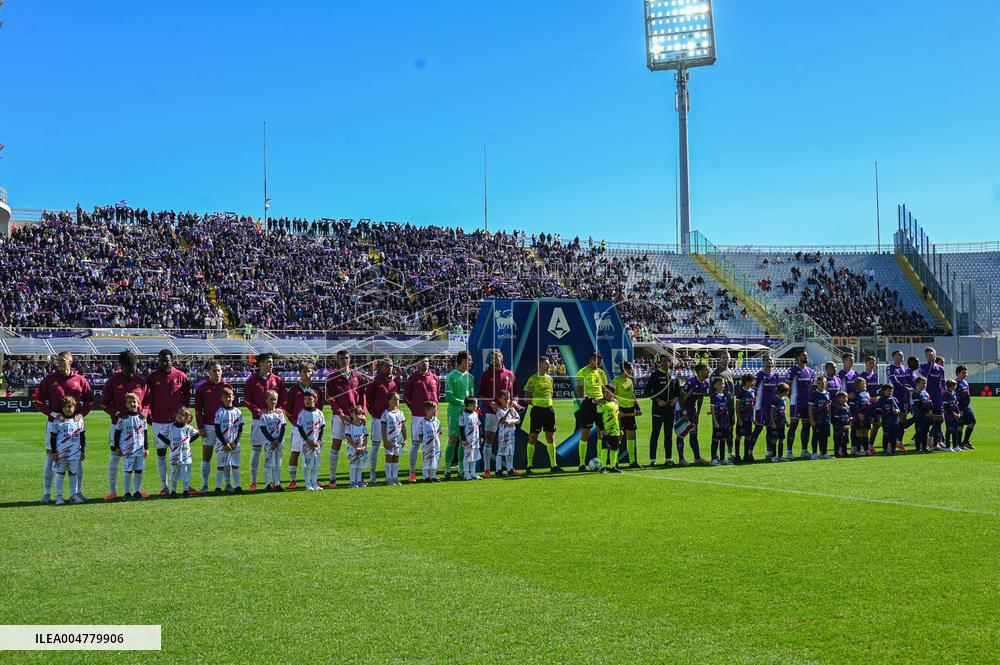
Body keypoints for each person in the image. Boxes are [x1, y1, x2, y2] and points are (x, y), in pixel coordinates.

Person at [34, 351, 94, 504]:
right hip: (55, 425)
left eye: (62, 360)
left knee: (77, 460)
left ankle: (77, 493)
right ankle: (47, 494)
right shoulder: (49, 379)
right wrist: (53, 413)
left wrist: (81, 414)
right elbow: (39, 402)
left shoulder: (80, 380)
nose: (59, 363)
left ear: (70, 361)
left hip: (75, 426)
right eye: (57, 360)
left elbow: (90, 401)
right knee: (50, 459)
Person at [101, 350, 149, 500]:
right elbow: (104, 404)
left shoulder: (142, 382)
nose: (131, 372)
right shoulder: (112, 382)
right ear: (121, 366)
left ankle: (137, 490)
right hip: (118, 426)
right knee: (115, 456)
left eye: (134, 368)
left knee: (138, 461)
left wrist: (145, 412)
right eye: (128, 369)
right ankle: (113, 491)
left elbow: (147, 402)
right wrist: (116, 413)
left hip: (138, 430)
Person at [145, 349, 191, 497]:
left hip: (177, 423)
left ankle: (184, 485)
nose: (165, 363)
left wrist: (184, 413)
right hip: (159, 420)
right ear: (158, 361)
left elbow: (187, 395)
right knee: (161, 454)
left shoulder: (181, 376)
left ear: (172, 360)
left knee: (182, 455)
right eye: (162, 360)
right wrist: (149, 414)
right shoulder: (152, 377)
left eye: (167, 360)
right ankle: (164, 486)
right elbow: (146, 398)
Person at [244, 353, 285, 492]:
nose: (271, 364)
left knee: (275, 452)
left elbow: (284, 399)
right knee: (256, 452)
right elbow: (247, 400)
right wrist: (258, 411)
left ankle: (275, 482)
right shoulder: (251, 380)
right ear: (260, 363)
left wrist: (279, 409)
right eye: (268, 362)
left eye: (272, 362)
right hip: (258, 421)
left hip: (274, 422)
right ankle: (254, 482)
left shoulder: (278, 380)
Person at [325, 350, 366, 488]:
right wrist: (340, 413)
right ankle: (332, 478)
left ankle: (356, 479)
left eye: (347, 358)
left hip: (355, 418)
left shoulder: (357, 376)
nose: (344, 360)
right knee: (336, 444)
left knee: (358, 445)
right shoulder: (332, 377)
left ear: (350, 359)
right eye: (341, 358)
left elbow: (362, 395)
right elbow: (330, 398)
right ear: (337, 360)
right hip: (340, 417)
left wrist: (362, 413)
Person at [477, 350, 521, 478]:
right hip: (491, 413)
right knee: (488, 441)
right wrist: (491, 403)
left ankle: (510, 469)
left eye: (496, 358)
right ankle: (486, 470)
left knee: (509, 443)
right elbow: (480, 394)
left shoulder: (509, 374)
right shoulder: (486, 374)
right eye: (492, 358)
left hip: (507, 414)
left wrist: (514, 401)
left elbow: (516, 393)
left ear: (502, 359)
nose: (494, 360)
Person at [194, 361, 233, 493]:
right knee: (207, 456)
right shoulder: (202, 388)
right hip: (209, 426)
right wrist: (201, 427)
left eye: (219, 370)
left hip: (225, 428)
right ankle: (204, 485)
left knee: (226, 455)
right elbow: (198, 410)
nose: (217, 373)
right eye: (214, 371)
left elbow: (233, 409)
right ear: (209, 373)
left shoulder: (228, 386)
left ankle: (228, 484)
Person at [285, 361, 323, 489]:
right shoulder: (294, 389)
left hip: (314, 429)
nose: (307, 374)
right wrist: (295, 422)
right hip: (298, 427)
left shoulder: (317, 389)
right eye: (304, 371)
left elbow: (320, 407)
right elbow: (288, 408)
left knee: (314, 454)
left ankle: (314, 480)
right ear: (300, 373)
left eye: (309, 371)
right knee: (295, 452)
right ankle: (293, 480)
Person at [404, 357, 440, 483]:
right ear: (418, 364)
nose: (425, 363)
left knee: (434, 444)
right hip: (418, 416)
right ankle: (412, 473)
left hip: (433, 417)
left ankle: (432, 473)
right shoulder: (413, 378)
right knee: (415, 444)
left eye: (426, 361)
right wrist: (415, 408)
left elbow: (437, 396)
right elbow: (406, 397)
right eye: (422, 361)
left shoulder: (435, 378)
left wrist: (435, 411)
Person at [523, 357, 559, 474]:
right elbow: (527, 398)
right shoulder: (532, 379)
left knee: (550, 437)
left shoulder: (550, 379)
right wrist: (537, 403)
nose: (549, 365)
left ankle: (554, 466)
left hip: (549, 410)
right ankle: (529, 466)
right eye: (546, 364)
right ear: (539, 364)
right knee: (533, 437)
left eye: (549, 363)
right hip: (537, 411)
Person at [442, 351, 475, 481]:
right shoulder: (451, 376)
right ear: (462, 361)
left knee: (463, 442)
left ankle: (461, 469)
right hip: (455, 414)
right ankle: (447, 469)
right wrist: (464, 403)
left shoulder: (470, 378)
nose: (471, 362)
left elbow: (472, 397)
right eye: (469, 359)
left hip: (467, 415)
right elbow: (449, 397)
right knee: (452, 440)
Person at [365, 358, 398, 486]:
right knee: (375, 446)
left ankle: (390, 477)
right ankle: (372, 475)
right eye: (386, 365)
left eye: (391, 366)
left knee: (391, 448)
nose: (389, 368)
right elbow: (368, 400)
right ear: (381, 366)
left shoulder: (395, 380)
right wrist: (374, 413)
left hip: (392, 420)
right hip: (378, 419)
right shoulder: (375, 381)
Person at [574, 352, 609, 472]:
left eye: (600, 362)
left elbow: (605, 389)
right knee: (585, 434)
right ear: (591, 360)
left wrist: (608, 399)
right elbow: (579, 392)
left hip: (601, 406)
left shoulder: (601, 373)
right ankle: (582, 464)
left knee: (602, 434)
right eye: (597, 361)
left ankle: (601, 463)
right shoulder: (582, 372)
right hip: (588, 405)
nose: (599, 364)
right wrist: (593, 400)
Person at [49, 395, 86, 505]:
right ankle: (59, 497)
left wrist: (82, 451)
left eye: (70, 407)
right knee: (60, 474)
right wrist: (54, 452)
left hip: (75, 453)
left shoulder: (79, 420)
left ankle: (73, 495)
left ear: (75, 407)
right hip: (61, 454)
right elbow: (53, 437)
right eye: (65, 407)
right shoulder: (58, 420)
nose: (67, 409)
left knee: (73, 473)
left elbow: (82, 437)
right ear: (62, 408)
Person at [157, 406, 200, 497]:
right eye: (179, 414)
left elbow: (197, 434)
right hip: (174, 454)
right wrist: (169, 443)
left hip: (186, 454)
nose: (180, 416)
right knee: (174, 472)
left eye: (183, 415)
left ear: (187, 417)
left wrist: (188, 442)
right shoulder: (171, 427)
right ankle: (173, 491)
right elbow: (160, 435)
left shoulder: (188, 428)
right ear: (176, 415)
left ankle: (185, 490)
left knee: (186, 472)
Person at [645, 355, 679, 467]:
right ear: (660, 363)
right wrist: (657, 400)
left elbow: (678, 391)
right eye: (663, 361)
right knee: (655, 433)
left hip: (670, 410)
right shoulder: (655, 375)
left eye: (667, 361)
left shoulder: (674, 375)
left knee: (668, 435)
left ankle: (668, 459)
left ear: (670, 362)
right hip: (658, 410)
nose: (665, 363)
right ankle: (652, 459)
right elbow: (647, 391)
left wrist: (676, 398)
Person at [114, 392, 149, 500]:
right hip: (127, 449)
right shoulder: (123, 417)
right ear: (126, 405)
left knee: (139, 470)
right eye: (129, 402)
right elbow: (117, 433)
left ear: (138, 403)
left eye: (134, 402)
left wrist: (146, 448)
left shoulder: (142, 417)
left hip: (139, 448)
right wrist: (117, 447)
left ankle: (137, 491)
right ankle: (127, 493)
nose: (132, 404)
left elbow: (145, 433)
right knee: (128, 471)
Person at [675, 363, 711, 466]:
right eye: (706, 370)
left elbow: (700, 397)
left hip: (692, 409)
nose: (708, 371)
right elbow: (681, 398)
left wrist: (698, 412)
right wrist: (684, 413)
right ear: (700, 371)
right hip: (681, 409)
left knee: (694, 434)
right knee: (681, 434)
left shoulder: (705, 383)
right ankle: (681, 459)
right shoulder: (691, 382)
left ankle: (697, 458)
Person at [213, 387, 245, 494]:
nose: (228, 398)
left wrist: (235, 442)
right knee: (221, 466)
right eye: (225, 396)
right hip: (222, 444)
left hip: (234, 444)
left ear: (233, 397)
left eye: (230, 396)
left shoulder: (238, 412)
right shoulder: (219, 412)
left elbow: (240, 429)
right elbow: (217, 429)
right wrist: (224, 443)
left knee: (235, 465)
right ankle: (218, 487)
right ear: (222, 398)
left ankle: (237, 486)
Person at [612, 361, 642, 469]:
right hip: (620, 412)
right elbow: (612, 397)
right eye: (630, 369)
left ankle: (632, 461)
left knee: (630, 435)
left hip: (630, 411)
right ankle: (614, 462)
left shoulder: (630, 381)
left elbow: (632, 395)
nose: (632, 370)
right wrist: (618, 410)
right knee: (619, 436)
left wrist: (637, 407)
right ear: (625, 369)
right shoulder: (615, 381)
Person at [786, 350, 815, 460]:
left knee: (806, 426)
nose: (806, 357)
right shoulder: (793, 370)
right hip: (796, 402)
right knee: (793, 426)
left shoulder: (810, 371)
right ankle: (789, 451)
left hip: (807, 403)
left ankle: (804, 450)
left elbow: (812, 387)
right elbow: (787, 386)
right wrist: (792, 398)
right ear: (798, 357)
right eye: (804, 355)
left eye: (806, 355)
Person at [749, 354, 780, 458]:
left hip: (772, 408)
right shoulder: (760, 375)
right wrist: (753, 406)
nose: (769, 362)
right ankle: (749, 451)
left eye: (771, 360)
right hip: (761, 407)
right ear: (763, 362)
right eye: (767, 360)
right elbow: (754, 390)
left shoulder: (776, 376)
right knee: (758, 429)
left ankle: (769, 452)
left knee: (770, 430)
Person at [257, 390, 287, 491]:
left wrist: (278, 440)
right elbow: (263, 429)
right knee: (267, 463)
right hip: (268, 443)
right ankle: (267, 484)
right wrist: (272, 440)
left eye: (275, 399)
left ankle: (277, 483)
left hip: (279, 442)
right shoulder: (264, 415)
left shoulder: (280, 413)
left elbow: (283, 427)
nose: (273, 402)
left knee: (278, 463)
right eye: (271, 399)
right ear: (266, 400)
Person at [297, 389, 325, 491]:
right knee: (306, 464)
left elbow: (322, 428)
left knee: (315, 464)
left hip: (316, 442)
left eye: (309, 398)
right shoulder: (302, 413)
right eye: (305, 399)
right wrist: (307, 440)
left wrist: (319, 440)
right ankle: (308, 483)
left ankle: (315, 483)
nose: (307, 401)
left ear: (315, 399)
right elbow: (300, 428)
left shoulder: (319, 413)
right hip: (306, 443)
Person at [709, 350, 735, 459]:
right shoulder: (716, 373)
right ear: (720, 359)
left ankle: (729, 452)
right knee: (717, 431)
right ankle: (715, 456)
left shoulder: (729, 371)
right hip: (720, 407)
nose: (726, 359)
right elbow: (712, 391)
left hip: (730, 405)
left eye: (727, 357)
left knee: (729, 429)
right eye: (724, 357)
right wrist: (713, 407)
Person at [885, 350, 913, 452]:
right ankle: (889, 443)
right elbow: (894, 382)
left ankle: (899, 442)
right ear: (894, 356)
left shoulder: (904, 368)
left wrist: (917, 387)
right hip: (894, 397)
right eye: (900, 355)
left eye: (902, 354)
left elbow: (910, 380)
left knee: (903, 420)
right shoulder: (890, 368)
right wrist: (905, 388)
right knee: (892, 421)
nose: (902, 356)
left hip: (904, 397)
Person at [919, 347, 946, 450]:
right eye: (929, 355)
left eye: (933, 354)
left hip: (938, 396)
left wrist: (944, 395)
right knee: (929, 420)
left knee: (940, 419)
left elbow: (943, 383)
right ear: (926, 356)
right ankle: (926, 441)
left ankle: (933, 439)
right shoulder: (923, 366)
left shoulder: (940, 368)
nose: (932, 357)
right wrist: (930, 363)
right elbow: (924, 375)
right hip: (927, 396)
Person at [381, 392, 407, 485]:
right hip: (389, 440)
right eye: (394, 399)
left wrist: (405, 439)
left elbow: (403, 427)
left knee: (396, 458)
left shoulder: (401, 413)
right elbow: (383, 428)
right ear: (389, 401)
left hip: (398, 441)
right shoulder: (385, 414)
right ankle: (389, 478)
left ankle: (395, 477)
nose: (397, 401)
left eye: (398, 399)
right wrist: (384, 441)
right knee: (389, 458)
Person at [493, 390, 521, 476]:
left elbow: (518, 420)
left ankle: (510, 469)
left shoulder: (512, 410)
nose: (507, 401)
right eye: (505, 399)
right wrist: (508, 413)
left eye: (508, 399)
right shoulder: (499, 411)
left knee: (510, 452)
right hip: (503, 435)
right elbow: (503, 421)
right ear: (500, 399)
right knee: (501, 452)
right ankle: (498, 470)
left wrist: (511, 421)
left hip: (511, 434)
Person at [596, 385, 622, 474]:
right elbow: (598, 418)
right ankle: (603, 467)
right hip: (606, 431)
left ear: (613, 393)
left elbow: (617, 417)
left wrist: (620, 428)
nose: (606, 394)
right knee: (605, 448)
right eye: (605, 392)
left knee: (614, 449)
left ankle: (613, 466)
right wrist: (602, 429)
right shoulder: (601, 404)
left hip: (615, 430)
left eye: (608, 392)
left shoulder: (616, 403)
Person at [709, 377, 734, 466]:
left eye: (723, 384)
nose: (722, 385)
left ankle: (723, 458)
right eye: (720, 384)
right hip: (718, 422)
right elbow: (712, 409)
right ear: (715, 385)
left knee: (723, 439)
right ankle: (714, 459)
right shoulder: (714, 396)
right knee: (716, 439)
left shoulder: (725, 395)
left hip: (725, 422)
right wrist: (715, 421)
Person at [807, 376, 832, 459]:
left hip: (825, 419)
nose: (821, 385)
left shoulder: (827, 394)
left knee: (825, 436)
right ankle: (814, 453)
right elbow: (810, 408)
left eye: (823, 383)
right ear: (816, 384)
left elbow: (828, 407)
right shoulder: (813, 394)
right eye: (819, 383)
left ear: (826, 384)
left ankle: (824, 453)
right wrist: (811, 420)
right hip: (817, 419)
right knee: (816, 436)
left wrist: (829, 418)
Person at [345, 405, 369, 488]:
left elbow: (365, 437)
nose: (360, 416)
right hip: (352, 450)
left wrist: (364, 447)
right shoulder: (350, 427)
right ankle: (352, 482)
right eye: (357, 414)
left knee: (360, 465)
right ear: (352, 414)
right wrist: (355, 447)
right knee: (353, 465)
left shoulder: (363, 427)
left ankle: (358, 481)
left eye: (361, 414)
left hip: (361, 450)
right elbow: (348, 438)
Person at [458, 396, 482, 480]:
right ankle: (466, 473)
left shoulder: (475, 414)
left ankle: (473, 472)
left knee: (474, 457)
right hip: (468, 440)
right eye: (475, 404)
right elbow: (461, 428)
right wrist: (464, 439)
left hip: (475, 439)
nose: (477, 405)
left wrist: (481, 436)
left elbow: (479, 425)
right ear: (469, 405)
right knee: (467, 456)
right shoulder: (463, 415)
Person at [419, 401, 442, 482]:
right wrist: (423, 444)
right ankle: (425, 476)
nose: (435, 411)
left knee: (435, 459)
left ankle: (433, 476)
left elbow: (439, 432)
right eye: (433, 409)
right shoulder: (423, 422)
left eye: (436, 409)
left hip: (435, 445)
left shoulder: (437, 421)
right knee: (427, 460)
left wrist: (437, 441)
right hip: (427, 445)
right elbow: (420, 435)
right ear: (427, 410)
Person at [848, 378, 872, 456]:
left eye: (865, 383)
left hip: (867, 416)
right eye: (862, 384)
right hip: (858, 417)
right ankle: (858, 450)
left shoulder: (867, 393)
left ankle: (866, 450)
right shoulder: (854, 394)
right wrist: (858, 414)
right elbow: (852, 406)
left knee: (866, 433)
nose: (864, 385)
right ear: (857, 385)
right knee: (859, 433)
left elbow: (868, 405)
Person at [874, 384, 900, 456]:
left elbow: (898, 409)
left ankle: (893, 449)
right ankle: (885, 450)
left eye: (891, 391)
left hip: (894, 420)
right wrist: (879, 421)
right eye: (888, 391)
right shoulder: (881, 400)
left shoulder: (894, 399)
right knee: (886, 435)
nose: (890, 392)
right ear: (883, 391)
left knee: (893, 436)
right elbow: (878, 412)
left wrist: (896, 411)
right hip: (885, 420)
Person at [735, 374, 756, 462]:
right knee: (738, 436)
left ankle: (746, 455)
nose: (753, 382)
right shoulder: (740, 392)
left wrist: (753, 417)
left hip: (749, 419)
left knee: (748, 437)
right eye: (752, 381)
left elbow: (753, 406)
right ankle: (737, 456)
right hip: (742, 418)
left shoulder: (753, 391)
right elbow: (737, 406)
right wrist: (739, 419)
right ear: (746, 382)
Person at [955, 365, 976, 450]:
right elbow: (954, 397)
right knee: (960, 425)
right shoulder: (954, 383)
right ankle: (959, 444)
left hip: (967, 406)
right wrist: (957, 408)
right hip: (959, 407)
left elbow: (967, 393)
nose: (965, 374)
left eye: (966, 372)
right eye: (963, 372)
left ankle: (965, 442)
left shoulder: (965, 382)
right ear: (957, 373)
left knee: (973, 422)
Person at [767, 383, 789, 461]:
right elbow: (771, 413)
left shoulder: (784, 400)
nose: (788, 392)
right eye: (787, 391)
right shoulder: (775, 400)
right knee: (774, 440)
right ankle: (774, 456)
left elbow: (784, 411)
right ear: (782, 391)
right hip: (775, 424)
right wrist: (772, 423)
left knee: (781, 439)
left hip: (781, 423)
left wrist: (786, 421)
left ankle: (780, 456)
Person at [910, 377, 932, 454]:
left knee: (925, 432)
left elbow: (929, 403)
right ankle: (918, 449)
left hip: (927, 416)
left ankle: (924, 447)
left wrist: (930, 411)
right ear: (917, 384)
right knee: (919, 432)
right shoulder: (915, 393)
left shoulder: (926, 393)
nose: (924, 385)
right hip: (919, 416)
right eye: (922, 383)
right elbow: (917, 404)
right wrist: (925, 412)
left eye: (925, 383)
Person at [831, 391, 852, 458]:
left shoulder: (847, 407)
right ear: (838, 398)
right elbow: (836, 418)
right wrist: (842, 425)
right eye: (843, 397)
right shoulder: (837, 408)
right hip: (839, 427)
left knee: (845, 440)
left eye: (846, 397)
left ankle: (845, 452)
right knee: (837, 440)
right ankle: (836, 453)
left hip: (846, 427)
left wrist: (848, 424)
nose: (845, 399)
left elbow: (850, 417)